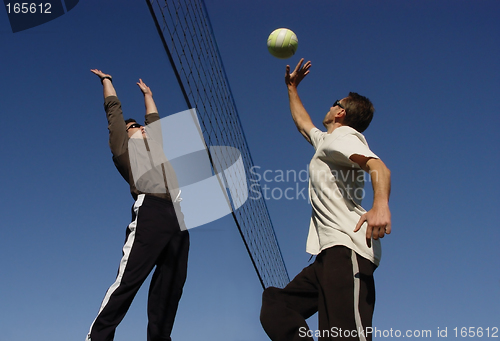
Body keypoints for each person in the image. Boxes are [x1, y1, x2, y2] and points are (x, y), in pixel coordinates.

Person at [260, 59, 392, 341]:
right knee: (276, 305)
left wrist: (380, 205)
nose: (329, 107)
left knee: (344, 336)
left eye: (334, 103)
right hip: (328, 256)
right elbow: (303, 124)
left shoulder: (343, 138)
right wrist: (292, 88)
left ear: (340, 112)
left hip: (348, 250)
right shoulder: (327, 142)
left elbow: (378, 167)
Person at [86, 69, 189, 341]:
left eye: (140, 126)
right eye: (135, 127)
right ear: (126, 134)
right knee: (128, 280)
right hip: (151, 211)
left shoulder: (156, 145)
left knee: (170, 290)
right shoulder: (123, 147)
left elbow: (153, 121)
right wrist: (107, 81)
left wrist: (149, 96)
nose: (140, 128)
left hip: (179, 218)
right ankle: (97, 337)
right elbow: (114, 114)